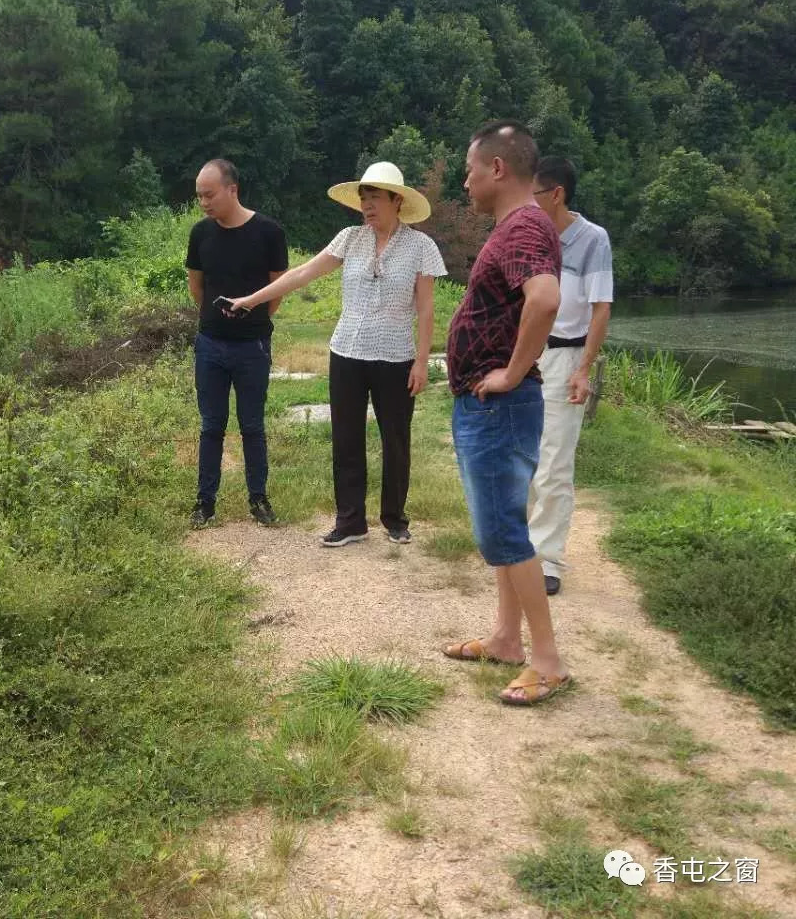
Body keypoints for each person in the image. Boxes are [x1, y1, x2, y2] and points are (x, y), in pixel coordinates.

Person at [224, 162, 446, 546]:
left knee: (395, 438)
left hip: (396, 355)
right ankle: (350, 521)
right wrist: (252, 300)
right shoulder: (350, 238)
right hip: (347, 351)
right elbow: (303, 273)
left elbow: (426, 309)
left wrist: (422, 361)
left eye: (375, 198)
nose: (367, 206)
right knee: (346, 437)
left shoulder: (420, 247)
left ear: (397, 201)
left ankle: (395, 518)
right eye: (363, 198)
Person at [442, 120, 571, 706]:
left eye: (470, 169)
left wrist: (512, 373)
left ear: (497, 168)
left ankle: (546, 661)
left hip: (499, 405)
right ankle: (505, 639)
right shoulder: (521, 226)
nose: (465, 181)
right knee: (502, 524)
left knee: (503, 531)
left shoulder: (522, 226)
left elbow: (544, 299)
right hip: (489, 405)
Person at [186, 159, 288, 529]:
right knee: (211, 425)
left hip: (253, 347)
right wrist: (215, 320)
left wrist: (254, 319)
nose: (204, 203)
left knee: (252, 426)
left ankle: (258, 499)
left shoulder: (269, 233)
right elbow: (197, 287)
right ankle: (204, 502)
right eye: (199, 196)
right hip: (210, 344)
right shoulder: (200, 234)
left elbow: (277, 290)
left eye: (209, 195)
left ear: (232, 189)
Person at [529, 157, 614, 596]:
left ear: (556, 193)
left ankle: (548, 559)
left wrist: (584, 369)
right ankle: (521, 550)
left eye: (535, 194)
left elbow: (601, 307)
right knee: (522, 454)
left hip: (566, 356)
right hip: (526, 354)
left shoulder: (592, 239)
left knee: (555, 461)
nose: (528, 202)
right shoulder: (530, 233)